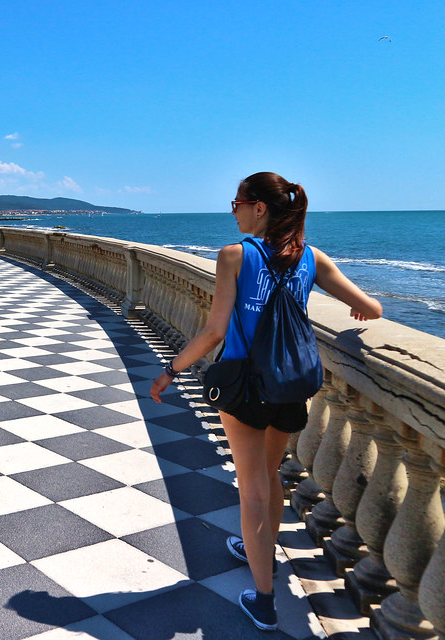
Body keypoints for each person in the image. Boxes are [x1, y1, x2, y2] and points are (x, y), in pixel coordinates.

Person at [149, 172, 382, 631]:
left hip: (245, 387)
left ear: (259, 208)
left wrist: (170, 371)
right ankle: (258, 552)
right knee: (269, 478)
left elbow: (215, 331)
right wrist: (357, 313)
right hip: (291, 385)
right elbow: (372, 308)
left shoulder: (235, 256)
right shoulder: (311, 258)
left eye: (236, 202)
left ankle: (264, 597)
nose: (232, 209)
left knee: (252, 488)